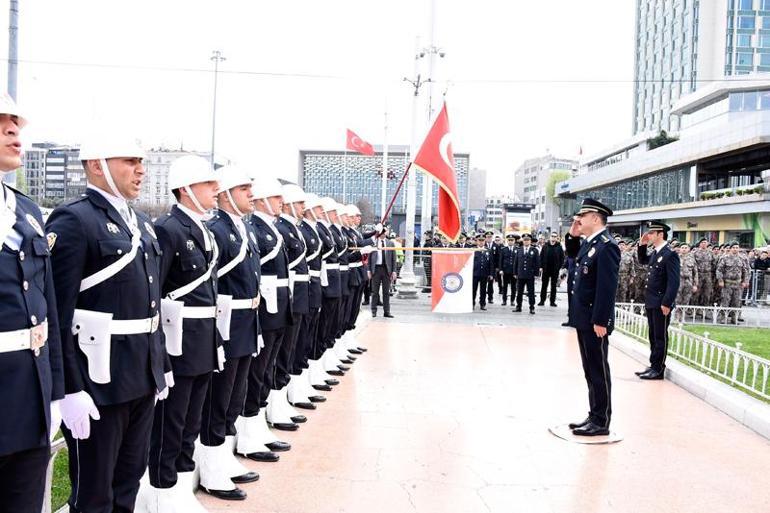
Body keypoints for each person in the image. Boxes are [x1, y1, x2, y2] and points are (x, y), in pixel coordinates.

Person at [47, 132, 166, 513]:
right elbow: (58, 314)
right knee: (94, 494)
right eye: (130, 161)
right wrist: (68, 389)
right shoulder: (74, 219)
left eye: (141, 162)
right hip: (97, 384)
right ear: (97, 165)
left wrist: (159, 366)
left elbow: (151, 304)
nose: (140, 170)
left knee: (129, 481)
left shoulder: (143, 224)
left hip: (141, 376)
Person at [141, 154, 221, 511]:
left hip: (203, 337)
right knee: (171, 422)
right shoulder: (170, 228)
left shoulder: (201, 228)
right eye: (208, 184)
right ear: (187, 189)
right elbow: (155, 292)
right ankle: (163, 489)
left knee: (191, 419)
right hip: (178, 339)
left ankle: (181, 488)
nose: (216, 190)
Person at [0, 94, 64, 513]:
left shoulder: (25, 210)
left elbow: (50, 310)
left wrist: (56, 390)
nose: (14, 132)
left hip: (29, 391)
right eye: (2, 123)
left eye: (16, 124)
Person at [195, 165, 261, 501]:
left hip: (246, 322)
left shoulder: (240, 227)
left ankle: (223, 456)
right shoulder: (218, 229)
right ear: (226, 195)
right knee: (218, 399)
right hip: (226, 323)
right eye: (244, 188)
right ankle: (210, 466)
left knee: (235, 394)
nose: (251, 194)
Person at [566, 198, 620, 437]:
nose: (579, 220)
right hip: (583, 317)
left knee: (598, 369)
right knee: (590, 369)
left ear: (596, 218)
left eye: (583, 216)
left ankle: (601, 421)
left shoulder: (607, 246)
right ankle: (593, 414)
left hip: (594, 320)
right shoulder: (591, 243)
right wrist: (573, 235)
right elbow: (572, 255)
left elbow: (607, 288)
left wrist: (601, 320)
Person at [635, 221, 680, 380]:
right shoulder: (656, 253)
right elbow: (642, 260)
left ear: (661, 234)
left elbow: (673, 282)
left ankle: (659, 368)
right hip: (651, 301)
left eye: (652, 233)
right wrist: (641, 246)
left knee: (660, 336)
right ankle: (653, 365)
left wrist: (667, 303)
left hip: (661, 303)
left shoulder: (670, 254)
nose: (649, 235)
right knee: (653, 335)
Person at [716, 241, 750, 324]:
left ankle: (734, 319)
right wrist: (720, 280)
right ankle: (723, 318)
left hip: (738, 284)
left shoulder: (742, 258)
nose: (735, 249)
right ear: (730, 249)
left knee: (736, 302)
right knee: (725, 301)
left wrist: (745, 281)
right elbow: (719, 270)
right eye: (734, 247)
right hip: (727, 283)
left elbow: (745, 271)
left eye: (737, 248)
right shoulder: (724, 258)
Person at [369, 227, 396, 318]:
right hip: (376, 269)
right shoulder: (374, 243)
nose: (384, 233)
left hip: (386, 269)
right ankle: (373, 310)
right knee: (374, 291)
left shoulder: (390, 243)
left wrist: (394, 271)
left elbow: (393, 258)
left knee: (386, 292)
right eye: (383, 231)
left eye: (385, 231)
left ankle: (387, 311)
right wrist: (369, 270)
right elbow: (369, 258)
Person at [514, 234, 540, 314]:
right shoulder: (519, 250)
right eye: (525, 240)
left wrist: (536, 274)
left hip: (530, 275)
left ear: (530, 241)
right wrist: (515, 273)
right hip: (521, 274)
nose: (526, 241)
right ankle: (518, 306)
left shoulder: (534, 250)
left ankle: (532, 307)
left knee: (531, 292)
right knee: (519, 292)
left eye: (528, 240)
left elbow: (537, 263)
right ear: (523, 241)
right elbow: (516, 262)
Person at [539, 232, 565, 307]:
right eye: (552, 236)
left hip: (555, 270)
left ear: (557, 238)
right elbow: (541, 257)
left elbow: (562, 258)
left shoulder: (559, 247)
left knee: (553, 286)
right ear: (550, 237)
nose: (553, 238)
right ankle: (542, 300)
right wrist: (541, 267)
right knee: (544, 285)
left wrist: (559, 267)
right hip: (546, 269)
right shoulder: (545, 246)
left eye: (555, 237)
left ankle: (552, 301)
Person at [472, 234, 494, 310]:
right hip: (474, 273)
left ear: (485, 241)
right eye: (479, 240)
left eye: (482, 241)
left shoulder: (488, 250)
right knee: (473, 290)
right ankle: (472, 303)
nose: (481, 242)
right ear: (477, 241)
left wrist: (491, 274)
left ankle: (482, 304)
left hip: (484, 273)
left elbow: (491, 263)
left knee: (483, 290)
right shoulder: (473, 250)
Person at [692, 238, 715, 306]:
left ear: (707, 243)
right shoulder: (695, 253)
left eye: (705, 242)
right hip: (698, 274)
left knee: (707, 293)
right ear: (700, 244)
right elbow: (693, 264)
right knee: (697, 293)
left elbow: (714, 264)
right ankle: (694, 309)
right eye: (702, 242)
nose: (704, 244)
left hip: (708, 275)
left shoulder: (710, 253)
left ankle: (704, 310)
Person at [676, 243, 699, 309]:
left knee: (687, 298)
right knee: (677, 298)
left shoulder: (692, 259)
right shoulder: (676, 258)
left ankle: (683, 314)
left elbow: (695, 272)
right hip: (678, 280)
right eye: (682, 248)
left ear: (688, 249)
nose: (684, 249)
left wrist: (695, 285)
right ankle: (677, 316)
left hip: (688, 281)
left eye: (686, 248)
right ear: (680, 249)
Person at [499, 234, 517, 306]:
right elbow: (501, 260)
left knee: (513, 287)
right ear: (507, 241)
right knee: (505, 286)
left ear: (514, 241)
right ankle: (504, 300)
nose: (510, 242)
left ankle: (512, 300)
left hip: (514, 271)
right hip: (505, 271)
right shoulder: (504, 249)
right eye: (509, 240)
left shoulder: (517, 249)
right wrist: (501, 269)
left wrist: (517, 271)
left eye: (512, 240)